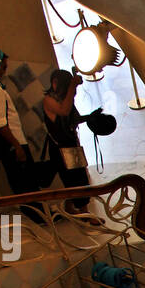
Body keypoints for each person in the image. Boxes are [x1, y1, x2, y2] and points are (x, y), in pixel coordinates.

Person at [0, 44, 49, 224]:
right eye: (3, 66)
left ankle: (35, 216)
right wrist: (17, 146)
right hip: (11, 141)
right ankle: (39, 218)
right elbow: (1, 124)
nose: (5, 70)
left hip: (2, 144)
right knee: (27, 185)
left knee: (19, 183)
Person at [41, 68, 104, 226]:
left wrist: (91, 117)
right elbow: (64, 111)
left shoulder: (64, 98)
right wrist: (72, 88)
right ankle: (85, 213)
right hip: (61, 148)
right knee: (75, 179)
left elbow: (73, 119)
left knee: (78, 177)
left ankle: (71, 207)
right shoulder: (49, 100)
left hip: (71, 145)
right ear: (56, 84)